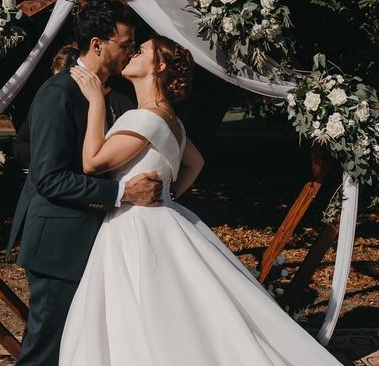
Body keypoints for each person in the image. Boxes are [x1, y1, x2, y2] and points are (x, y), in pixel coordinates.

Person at [59, 35, 341, 365]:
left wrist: (95, 101)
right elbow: (195, 163)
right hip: (162, 218)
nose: (132, 54)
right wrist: (169, 194)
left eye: (142, 51)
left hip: (135, 226)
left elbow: (92, 161)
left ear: (158, 66)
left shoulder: (143, 118)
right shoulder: (171, 120)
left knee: (142, 312)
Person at [6, 0, 165, 366]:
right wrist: (123, 193)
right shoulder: (57, 94)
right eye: (125, 45)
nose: (130, 52)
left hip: (99, 244)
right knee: (45, 351)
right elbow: (50, 179)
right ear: (97, 45)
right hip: (58, 247)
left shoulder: (120, 97)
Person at [13, 43, 136, 170]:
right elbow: (21, 145)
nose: (62, 90)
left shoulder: (118, 101)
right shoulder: (49, 99)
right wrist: (48, 159)